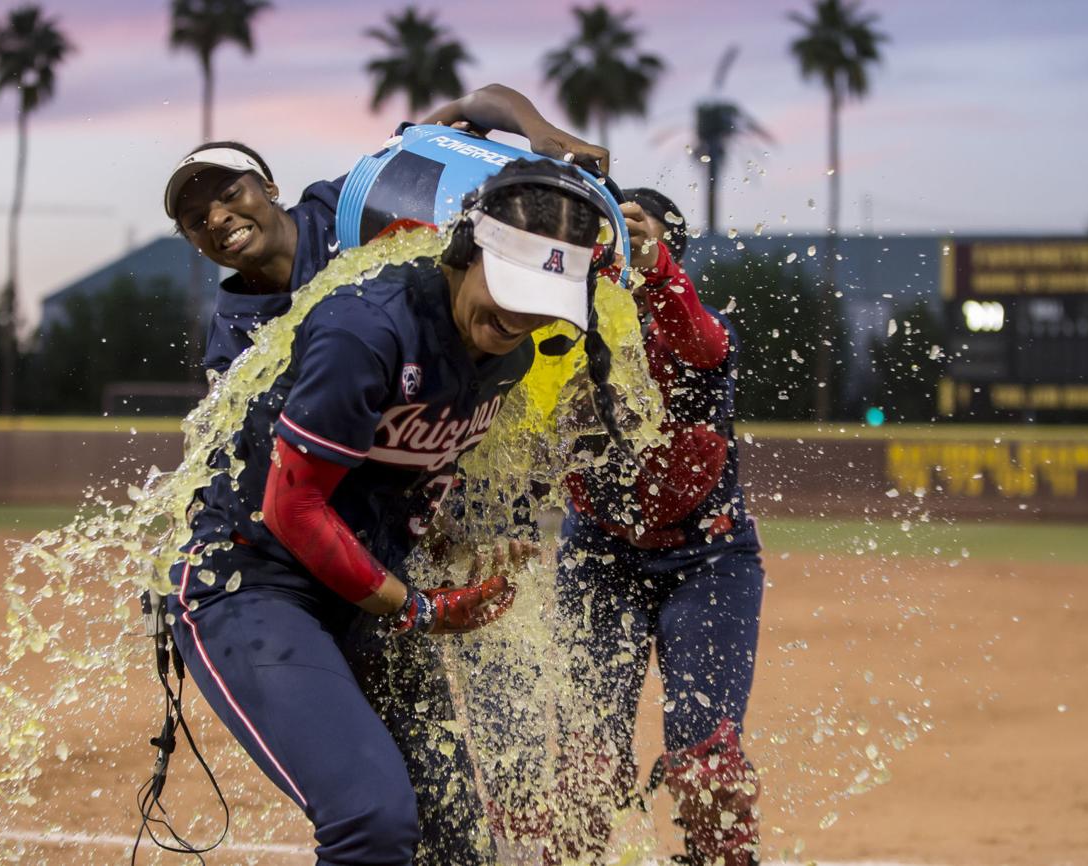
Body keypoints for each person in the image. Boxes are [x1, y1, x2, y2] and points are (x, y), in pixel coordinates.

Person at [165, 157, 617, 866]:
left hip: (364, 590)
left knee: (456, 844)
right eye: (510, 288)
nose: (520, 315)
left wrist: (485, 533)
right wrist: (418, 609)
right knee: (371, 820)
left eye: (543, 300)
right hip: (252, 583)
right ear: (465, 252)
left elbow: (437, 469)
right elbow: (294, 508)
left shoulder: (510, 354)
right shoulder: (366, 329)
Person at [550, 187, 765, 866]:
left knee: (706, 761)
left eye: (640, 235)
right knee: (584, 764)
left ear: (671, 246)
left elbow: (696, 341)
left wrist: (653, 264)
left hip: (710, 558)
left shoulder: (711, 328)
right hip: (596, 554)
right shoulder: (561, 329)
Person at [162, 83, 609, 375]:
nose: (217, 219)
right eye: (197, 222)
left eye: (229, 195)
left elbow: (474, 104)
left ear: (269, 187)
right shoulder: (234, 333)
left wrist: (541, 132)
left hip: (474, 377)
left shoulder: (355, 201)